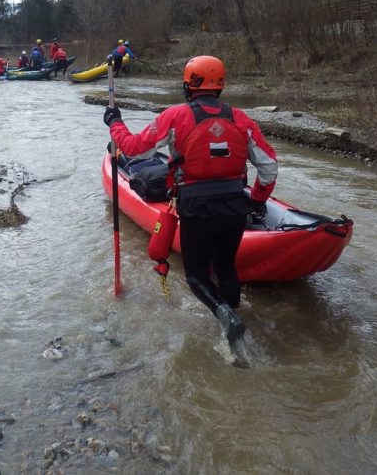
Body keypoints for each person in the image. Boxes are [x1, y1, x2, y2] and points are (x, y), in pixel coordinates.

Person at [103, 55, 278, 347]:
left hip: (197, 209)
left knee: (196, 275)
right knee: (225, 267)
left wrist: (115, 123)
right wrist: (256, 200)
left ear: (189, 85)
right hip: (235, 207)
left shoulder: (175, 116)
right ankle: (234, 315)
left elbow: (134, 149)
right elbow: (269, 166)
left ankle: (224, 315)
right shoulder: (242, 119)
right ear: (220, 86)